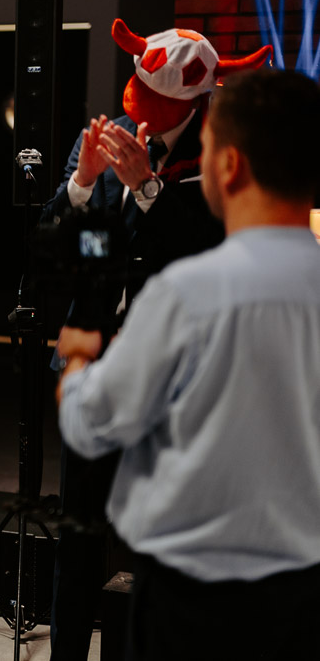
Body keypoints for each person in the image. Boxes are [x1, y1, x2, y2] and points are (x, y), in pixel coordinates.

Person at [57, 67, 320, 661]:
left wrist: (76, 360)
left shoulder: (190, 294)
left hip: (194, 599)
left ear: (228, 165)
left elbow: (91, 422)